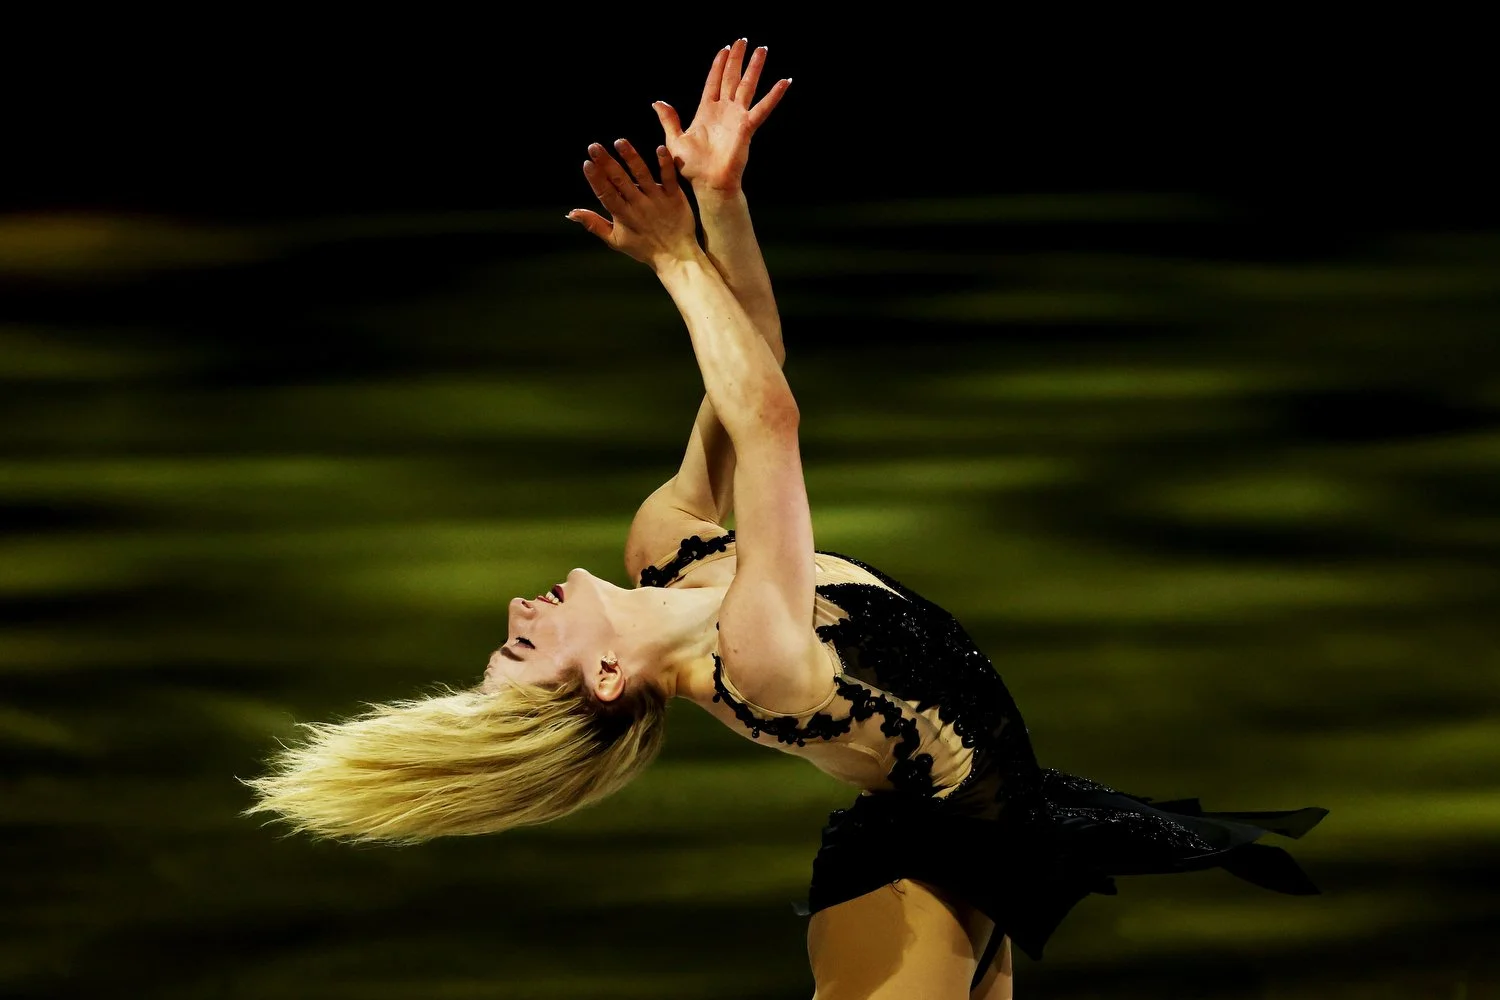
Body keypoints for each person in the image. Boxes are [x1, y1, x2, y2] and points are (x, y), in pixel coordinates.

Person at [243, 39, 1329, 1000]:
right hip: (926, 854)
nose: (520, 605)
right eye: (527, 642)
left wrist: (720, 203)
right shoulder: (753, 657)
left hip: (992, 821)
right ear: (608, 678)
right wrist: (672, 259)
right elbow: (771, 419)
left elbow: (748, 365)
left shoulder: (665, 546)